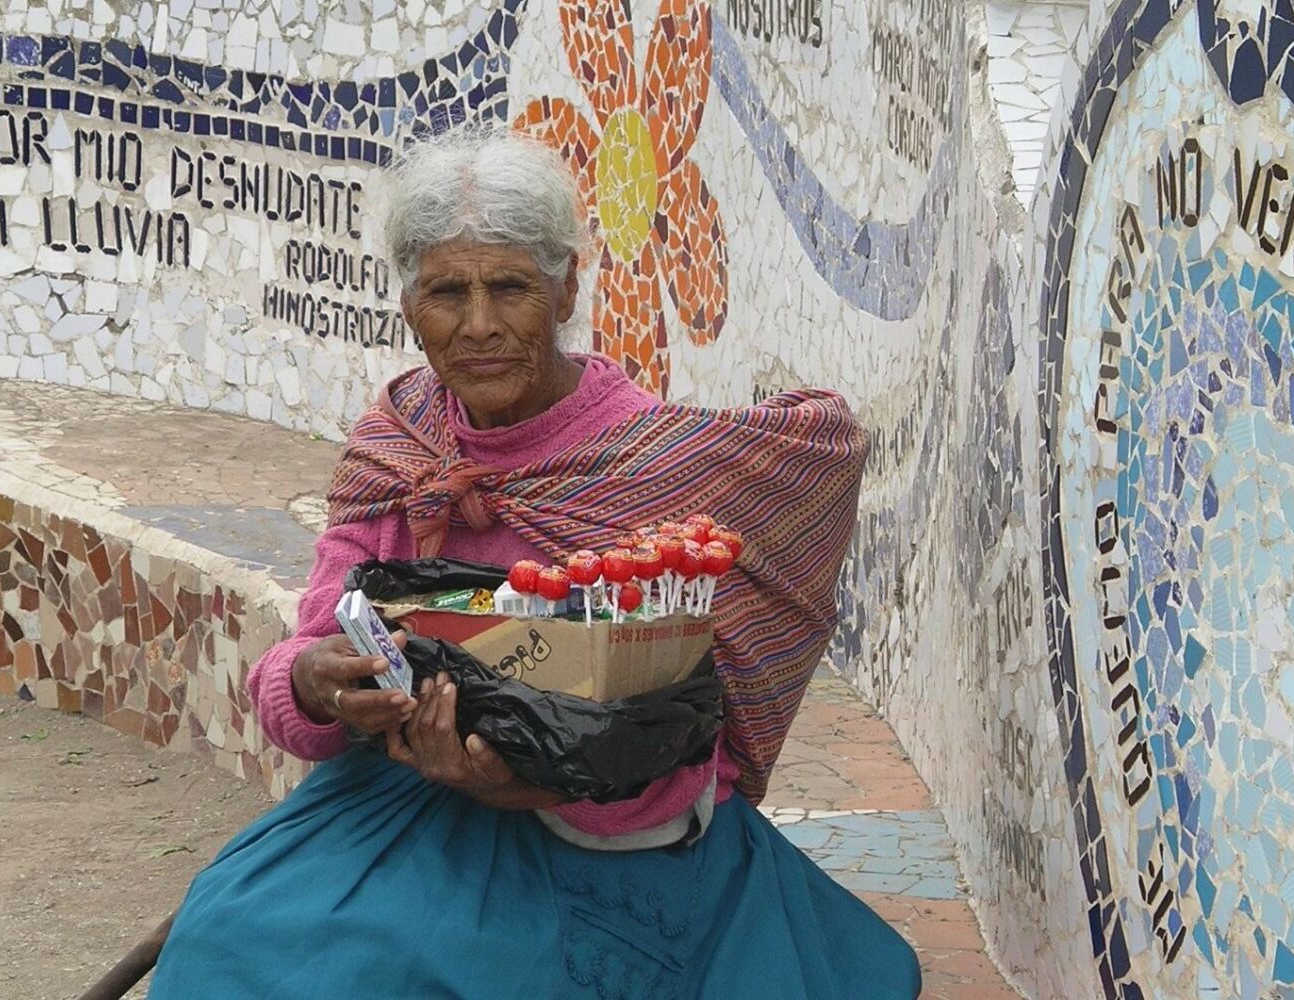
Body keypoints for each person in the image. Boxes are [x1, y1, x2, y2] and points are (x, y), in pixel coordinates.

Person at [149, 127, 921, 999]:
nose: (478, 324)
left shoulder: (654, 464)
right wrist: (317, 684)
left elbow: (693, 734)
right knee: (230, 939)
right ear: (407, 304)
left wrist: (535, 776)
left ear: (565, 289)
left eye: (509, 287)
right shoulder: (396, 445)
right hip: (405, 809)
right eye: (447, 291)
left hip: (613, 837)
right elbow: (305, 666)